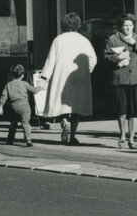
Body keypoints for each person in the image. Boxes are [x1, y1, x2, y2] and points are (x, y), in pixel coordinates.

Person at [40, 12, 97, 145]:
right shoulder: (84, 40)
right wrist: (87, 71)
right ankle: (73, 136)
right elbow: (93, 58)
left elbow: (51, 60)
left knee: (63, 103)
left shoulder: (58, 40)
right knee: (76, 107)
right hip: (79, 77)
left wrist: (45, 76)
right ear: (78, 24)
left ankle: (65, 121)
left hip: (62, 76)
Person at [104, 13, 137, 149]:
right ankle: (122, 135)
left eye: (130, 25)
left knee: (134, 110)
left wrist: (135, 44)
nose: (128, 28)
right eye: (125, 25)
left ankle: (131, 138)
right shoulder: (113, 39)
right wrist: (118, 57)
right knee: (121, 109)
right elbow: (106, 57)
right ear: (121, 26)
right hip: (120, 79)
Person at [0, 63, 36, 146]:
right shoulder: (25, 84)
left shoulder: (8, 84)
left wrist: (1, 107)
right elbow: (34, 90)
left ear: (12, 74)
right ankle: (28, 139)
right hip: (25, 107)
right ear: (22, 75)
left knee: (13, 124)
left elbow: (4, 96)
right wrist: (41, 87)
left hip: (13, 107)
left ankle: (10, 139)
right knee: (25, 123)